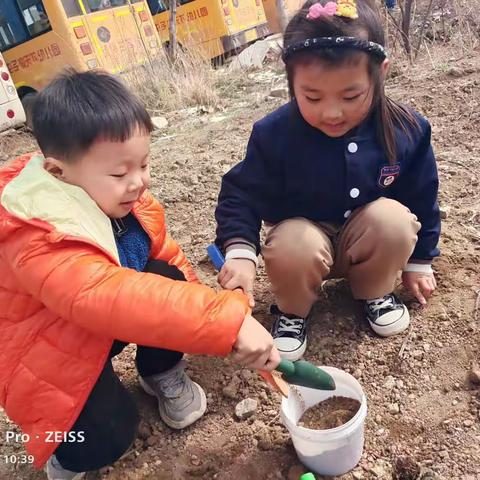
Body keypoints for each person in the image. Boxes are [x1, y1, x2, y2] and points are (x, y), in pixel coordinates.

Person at [0, 70, 280, 480]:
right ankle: (66, 454)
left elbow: (166, 266)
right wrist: (227, 322)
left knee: (168, 277)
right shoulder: (39, 232)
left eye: (143, 164)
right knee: (107, 435)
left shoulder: (128, 202)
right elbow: (108, 295)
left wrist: (218, 306)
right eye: (119, 174)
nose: (138, 182)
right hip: (49, 353)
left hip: (102, 323)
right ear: (58, 172)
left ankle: (161, 372)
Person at [214, 0, 440, 361]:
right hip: (303, 250)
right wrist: (240, 252)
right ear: (290, 81)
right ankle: (293, 311)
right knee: (293, 241)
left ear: (380, 73)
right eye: (312, 97)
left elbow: (423, 196)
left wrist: (420, 261)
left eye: (351, 96)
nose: (332, 112)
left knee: (393, 220)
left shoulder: (406, 129)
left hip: (368, 243)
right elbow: (241, 194)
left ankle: (374, 292)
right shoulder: (273, 135)